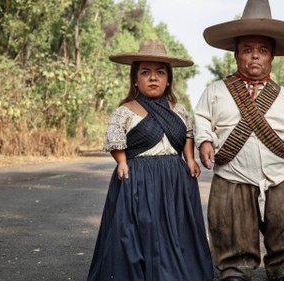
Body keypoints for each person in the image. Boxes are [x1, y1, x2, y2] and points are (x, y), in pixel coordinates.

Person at [194, 1, 284, 281]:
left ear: (272, 57)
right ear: (236, 55)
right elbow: (201, 120)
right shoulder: (215, 92)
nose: (255, 57)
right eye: (247, 50)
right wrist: (205, 142)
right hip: (233, 173)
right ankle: (235, 269)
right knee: (232, 227)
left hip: (280, 173)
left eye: (262, 51)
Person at [87, 38, 214, 281]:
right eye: (145, 72)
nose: (153, 77)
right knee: (139, 227)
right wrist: (121, 162)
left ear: (168, 80)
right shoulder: (126, 110)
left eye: (159, 72)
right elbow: (115, 139)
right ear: (135, 79)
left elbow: (188, 133)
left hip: (175, 178)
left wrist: (189, 158)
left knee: (175, 228)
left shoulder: (179, 110)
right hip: (138, 178)